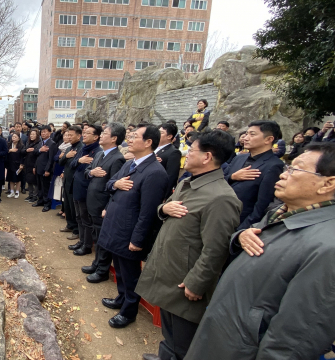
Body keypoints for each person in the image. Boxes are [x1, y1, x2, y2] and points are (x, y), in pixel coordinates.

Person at [185, 143, 335, 360]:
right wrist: (240, 236)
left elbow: (296, 339)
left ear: (327, 184)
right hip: (227, 331)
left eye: (295, 169)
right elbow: (257, 238)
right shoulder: (282, 213)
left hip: (243, 347)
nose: (284, 174)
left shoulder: (327, 246)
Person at [136, 131, 242, 360]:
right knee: (169, 332)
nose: (186, 154)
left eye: (191, 150)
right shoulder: (188, 182)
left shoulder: (221, 198)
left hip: (185, 281)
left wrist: (196, 283)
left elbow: (216, 249)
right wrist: (163, 209)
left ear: (206, 157)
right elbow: (165, 207)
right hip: (169, 271)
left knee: (184, 343)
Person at [97, 124, 170, 329]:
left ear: (148, 142)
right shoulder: (131, 164)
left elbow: (148, 213)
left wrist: (137, 240)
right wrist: (116, 184)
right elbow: (109, 183)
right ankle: (121, 298)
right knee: (120, 270)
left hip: (130, 233)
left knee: (131, 275)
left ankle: (129, 312)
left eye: (134, 136)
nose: (129, 138)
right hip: (117, 226)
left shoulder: (155, 172)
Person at [82, 123, 126, 283]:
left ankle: (102, 270)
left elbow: (114, 186)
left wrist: (107, 207)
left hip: (102, 205)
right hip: (92, 201)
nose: (101, 135)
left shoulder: (118, 159)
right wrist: (91, 172)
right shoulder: (100, 155)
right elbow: (88, 171)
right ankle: (96, 264)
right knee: (96, 236)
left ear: (114, 138)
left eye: (104, 133)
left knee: (103, 238)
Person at [224, 121, 285, 231]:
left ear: (268, 139)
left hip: (240, 224)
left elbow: (262, 206)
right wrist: (232, 177)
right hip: (221, 216)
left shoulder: (274, 165)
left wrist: (240, 231)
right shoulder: (239, 158)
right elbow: (221, 180)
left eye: (252, 134)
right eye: (246, 134)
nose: (246, 138)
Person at [70, 125, 103, 256]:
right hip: (77, 187)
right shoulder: (83, 149)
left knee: (86, 219)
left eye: (88, 133)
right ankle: (82, 241)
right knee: (78, 217)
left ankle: (87, 245)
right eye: (84, 132)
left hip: (86, 190)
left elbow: (92, 172)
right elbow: (72, 164)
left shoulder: (97, 152)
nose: (84, 135)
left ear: (96, 137)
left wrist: (80, 162)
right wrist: (79, 160)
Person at [59, 126, 83, 240]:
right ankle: (70, 225)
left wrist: (71, 158)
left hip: (75, 181)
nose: (68, 137)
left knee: (74, 208)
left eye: (71, 135)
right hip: (67, 180)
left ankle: (77, 230)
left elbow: (78, 164)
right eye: (67, 135)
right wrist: (66, 156)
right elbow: (60, 162)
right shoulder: (69, 148)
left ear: (79, 136)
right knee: (67, 205)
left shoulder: (82, 148)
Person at [32, 126, 56, 211]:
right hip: (38, 167)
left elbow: (51, 159)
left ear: (50, 133)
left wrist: (47, 170)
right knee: (39, 186)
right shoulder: (40, 143)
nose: (43, 133)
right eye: (42, 132)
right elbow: (35, 154)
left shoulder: (52, 143)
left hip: (45, 169)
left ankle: (47, 203)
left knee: (46, 187)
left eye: (45, 132)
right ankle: (40, 201)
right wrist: (35, 167)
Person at [155, 123, 183, 196]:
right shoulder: (151, 148)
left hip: (158, 190)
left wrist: (165, 195)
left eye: (161, 133)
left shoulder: (173, 152)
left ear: (169, 136)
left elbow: (171, 176)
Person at [51, 131, 73, 218]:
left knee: (65, 192)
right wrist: (60, 156)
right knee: (59, 191)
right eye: (65, 135)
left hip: (65, 171)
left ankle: (66, 211)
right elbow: (55, 157)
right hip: (57, 170)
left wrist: (64, 172)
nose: (66, 137)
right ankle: (62, 209)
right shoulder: (61, 146)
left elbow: (68, 161)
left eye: (68, 135)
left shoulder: (71, 148)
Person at [23, 129, 41, 203]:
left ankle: (35, 196)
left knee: (35, 182)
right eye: (31, 134)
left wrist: (35, 166)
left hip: (34, 164)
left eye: (34, 134)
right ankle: (30, 195)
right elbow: (22, 151)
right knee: (29, 180)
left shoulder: (39, 143)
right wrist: (26, 150)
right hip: (27, 164)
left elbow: (38, 155)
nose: (32, 136)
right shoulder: (28, 143)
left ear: (37, 135)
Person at [6, 133, 25, 198]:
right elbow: (5, 152)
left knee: (18, 178)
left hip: (18, 164)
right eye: (13, 137)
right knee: (10, 178)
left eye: (15, 137)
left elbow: (23, 156)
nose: (13, 138)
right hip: (10, 164)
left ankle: (17, 192)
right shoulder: (8, 145)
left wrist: (22, 164)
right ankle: (12, 191)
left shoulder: (21, 146)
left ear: (18, 138)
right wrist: (10, 150)